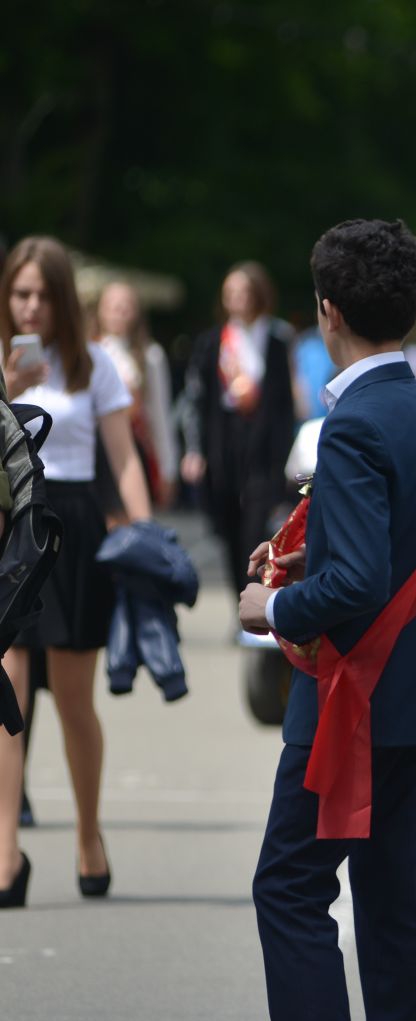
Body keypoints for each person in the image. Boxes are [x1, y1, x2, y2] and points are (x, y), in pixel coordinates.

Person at [212, 218, 416, 1021]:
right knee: (391, 892)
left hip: (348, 696)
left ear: (327, 312)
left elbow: (357, 579)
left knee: (290, 887)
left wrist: (271, 600)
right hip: (411, 695)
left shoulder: (354, 424)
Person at [0, 237, 154, 908]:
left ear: (62, 298)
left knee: (72, 702)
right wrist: (9, 389)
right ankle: (4, 847)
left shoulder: (96, 366)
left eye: (40, 294)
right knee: (6, 703)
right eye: (18, 293)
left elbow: (122, 459)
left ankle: (89, 833)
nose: (29, 307)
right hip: (10, 524)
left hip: (70, 527)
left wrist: (144, 538)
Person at [182, 261, 299, 595]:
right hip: (225, 443)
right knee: (229, 528)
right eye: (230, 293)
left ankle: (258, 599)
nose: (236, 299)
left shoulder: (276, 341)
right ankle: (241, 600)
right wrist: (194, 449)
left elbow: (284, 404)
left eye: (243, 292)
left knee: (257, 528)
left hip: (262, 446)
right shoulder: (212, 342)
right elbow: (197, 401)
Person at [93, 280, 176, 509]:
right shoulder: (90, 352)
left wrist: (168, 467)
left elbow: (160, 413)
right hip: (97, 453)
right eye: (112, 306)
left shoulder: (151, 355)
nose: (119, 313)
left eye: (125, 306)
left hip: (135, 450)